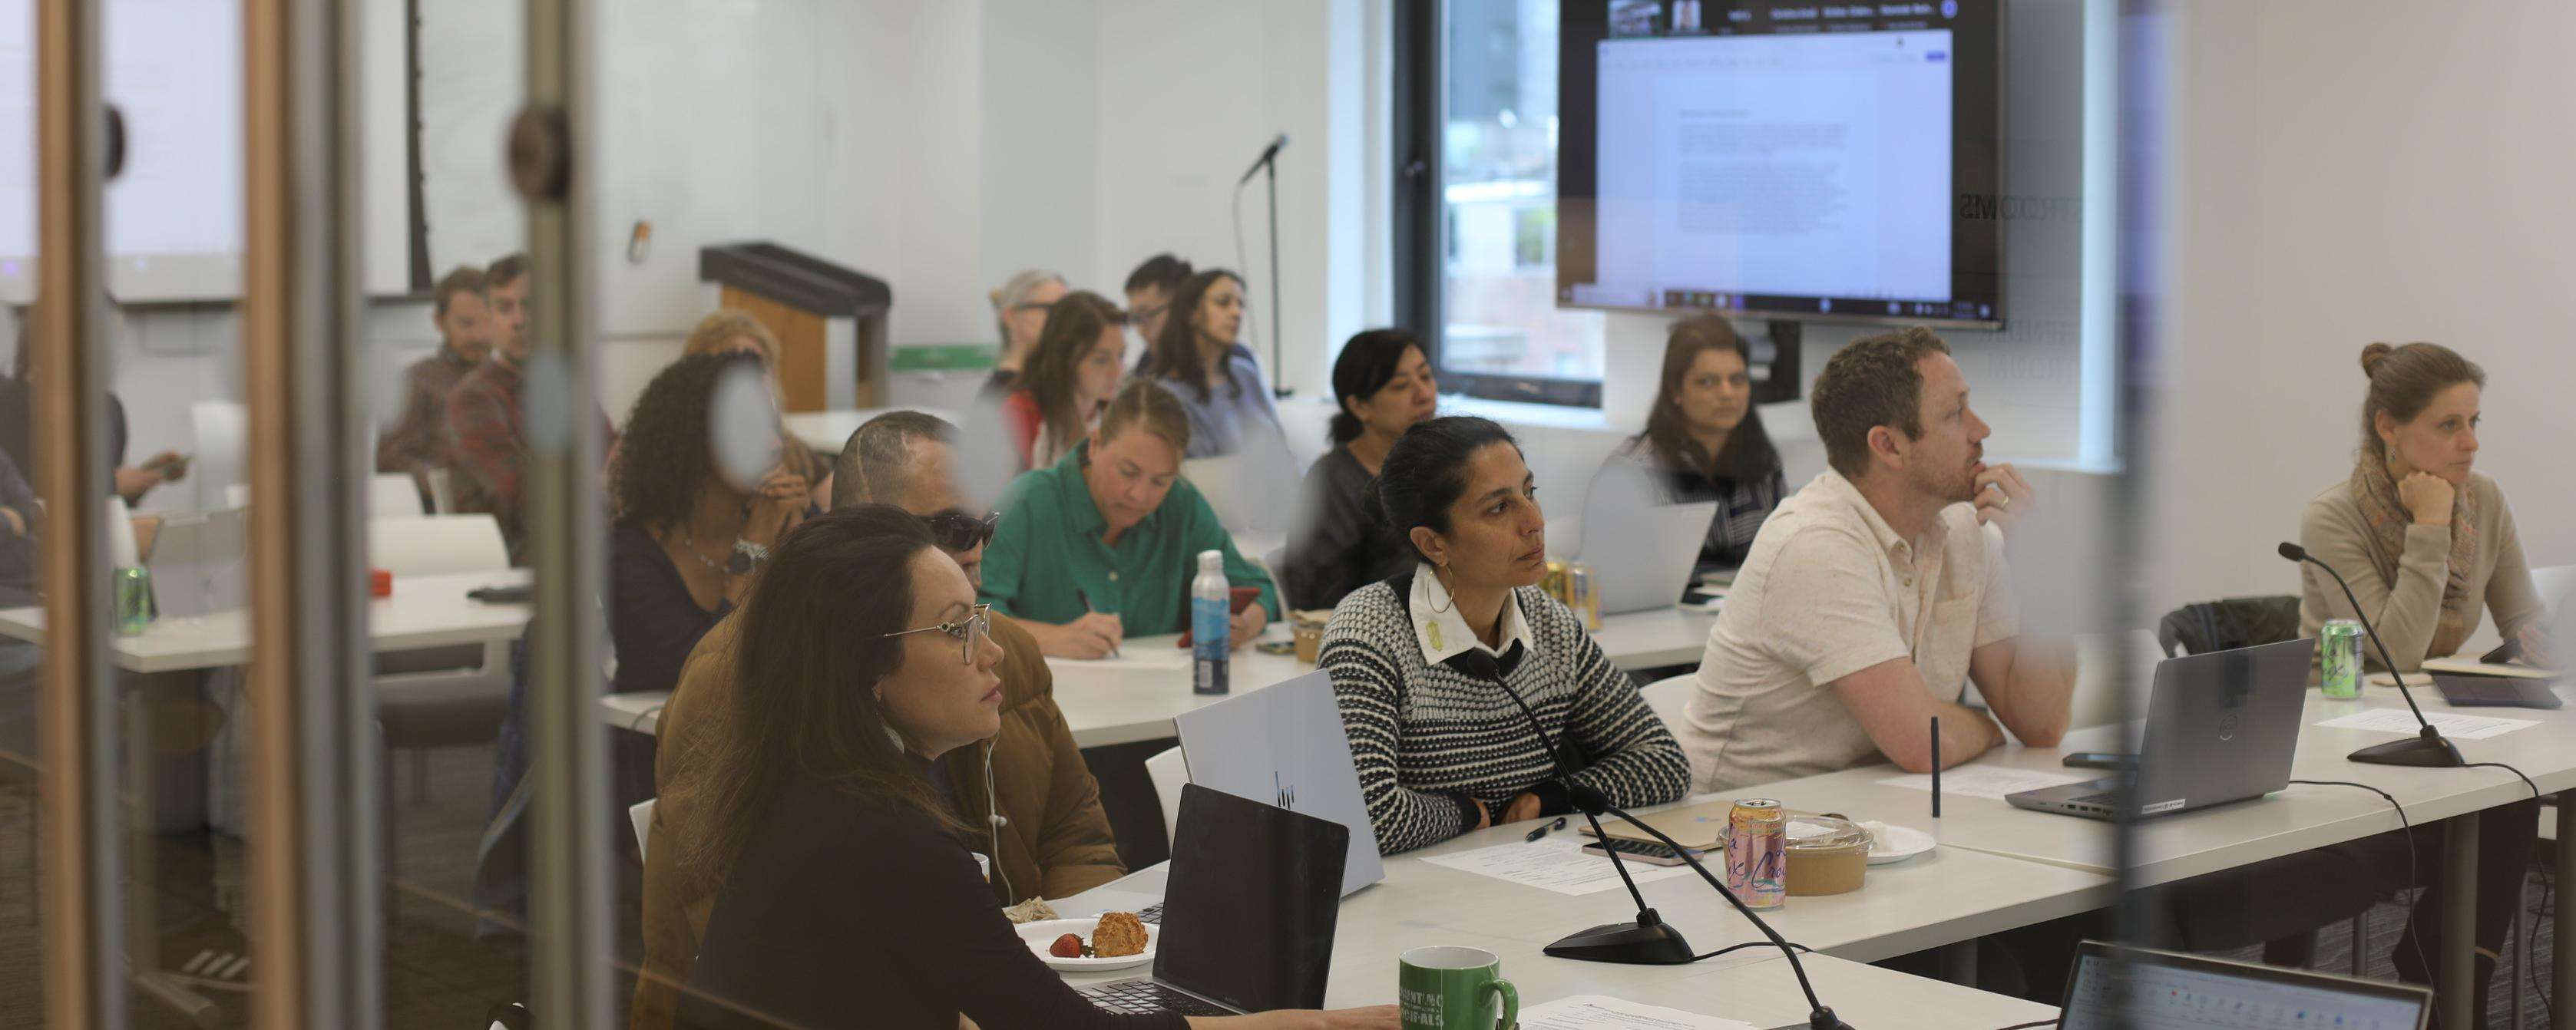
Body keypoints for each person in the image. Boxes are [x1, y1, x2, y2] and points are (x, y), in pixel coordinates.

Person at [666, 506, 1394, 1030]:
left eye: (978, 619)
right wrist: (1304, 1027)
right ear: (865, 667)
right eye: (956, 630)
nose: (990, 652)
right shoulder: (883, 835)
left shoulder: (803, 785)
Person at [633, 412, 1126, 1030]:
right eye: (949, 525)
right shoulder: (735, 676)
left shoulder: (1004, 651)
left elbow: (1075, 832)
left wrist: (1083, 957)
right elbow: (732, 918)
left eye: (985, 523)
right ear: (859, 536)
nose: (975, 543)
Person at [1678, 326, 2072, 793]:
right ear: (1888, 446)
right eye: (1956, 414)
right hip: (1738, 831)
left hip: (1864, 809)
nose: (1981, 431)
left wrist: (2040, 568)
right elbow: (1923, 744)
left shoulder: (1967, 529)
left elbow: (2042, 724)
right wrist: (1988, 727)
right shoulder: (1816, 545)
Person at [2298, 341, 2541, 1022]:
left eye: (2473, 423)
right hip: (2334, 737)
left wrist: (2533, 637)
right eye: (2447, 426)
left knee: (2511, 798)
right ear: (2387, 428)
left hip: (2421, 721)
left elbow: (2522, 615)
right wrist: (2430, 529)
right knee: (2497, 803)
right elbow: (2393, 652)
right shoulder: (2332, 516)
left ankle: (2444, 978)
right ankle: (2438, 977)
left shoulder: (2483, 498)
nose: (2468, 444)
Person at [1318, 416, 1689, 856]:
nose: (1534, 522)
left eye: (1529, 493)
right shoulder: (1369, 634)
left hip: (1520, 879)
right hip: (1409, 901)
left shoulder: (1549, 623)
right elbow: (1364, 817)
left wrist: (1550, 797)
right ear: (1434, 544)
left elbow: (1664, 762)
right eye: (1499, 508)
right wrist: (1469, 814)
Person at [981, 380, 1277, 659]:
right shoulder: (1028, 503)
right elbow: (973, 614)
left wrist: (1245, 624)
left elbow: (1258, 588)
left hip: (1165, 701)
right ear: (1095, 444)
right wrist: (1051, 638)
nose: (1140, 495)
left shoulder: (1181, 503)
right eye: (1128, 472)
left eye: (1160, 481)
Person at [606, 351, 809, 698]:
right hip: (660, 744)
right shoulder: (627, 555)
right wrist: (754, 546)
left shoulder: (788, 516)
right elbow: (705, 675)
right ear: (696, 439)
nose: (775, 445)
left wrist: (801, 548)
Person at [444, 253, 617, 564]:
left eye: (529, 305)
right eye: (504, 307)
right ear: (489, 317)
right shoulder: (472, 398)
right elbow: (522, 491)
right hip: (513, 554)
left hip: (584, 541)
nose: (519, 321)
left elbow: (615, 460)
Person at [1604, 314, 1784, 569]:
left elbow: (1780, 557)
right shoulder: (1633, 471)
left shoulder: (1765, 462)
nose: (1727, 393)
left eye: (1737, 380)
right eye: (1708, 382)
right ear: (1675, 391)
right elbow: (1621, 575)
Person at [1280, 328, 1437, 611]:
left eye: (1425, 377)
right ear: (1360, 406)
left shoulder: (1448, 461)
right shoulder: (1333, 481)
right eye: (1401, 386)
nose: (1424, 394)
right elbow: (1318, 598)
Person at [0, 310, 186, 507]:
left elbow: (111, 497)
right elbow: (21, 493)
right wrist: (112, 484)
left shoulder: (109, 407)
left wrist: (144, 476)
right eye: (104, 341)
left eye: (116, 342)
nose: (111, 354)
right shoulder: (9, 402)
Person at [680, 309, 829, 508]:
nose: (750, 381)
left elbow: (839, 515)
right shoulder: (686, 460)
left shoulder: (796, 453)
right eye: (734, 367)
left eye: (758, 366)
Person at [375, 266, 496, 497]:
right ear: (440, 322)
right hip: (444, 520)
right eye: (467, 324)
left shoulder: (508, 381)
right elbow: (390, 460)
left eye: (487, 322)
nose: (480, 336)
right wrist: (448, 484)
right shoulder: (417, 381)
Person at [1139, 269, 1285, 458]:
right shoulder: (1168, 394)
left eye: (1241, 305)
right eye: (1223, 303)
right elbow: (1201, 472)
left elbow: (1280, 445)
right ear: (1191, 313)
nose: (1236, 313)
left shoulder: (1246, 373)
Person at [998, 291, 1128, 470]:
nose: (1118, 371)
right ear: (1065, 359)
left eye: (1121, 356)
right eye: (1101, 360)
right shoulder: (1021, 413)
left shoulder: (1119, 416)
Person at [980, 269, 1069, 401]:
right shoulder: (1003, 394)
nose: (1063, 319)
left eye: (1066, 311)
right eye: (1051, 309)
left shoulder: (1048, 385)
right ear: (1011, 317)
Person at [1123, 253, 1194, 365]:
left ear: (1183, 307)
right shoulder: (1146, 366)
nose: (1141, 330)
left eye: (1148, 315)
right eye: (1136, 319)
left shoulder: (1225, 367)